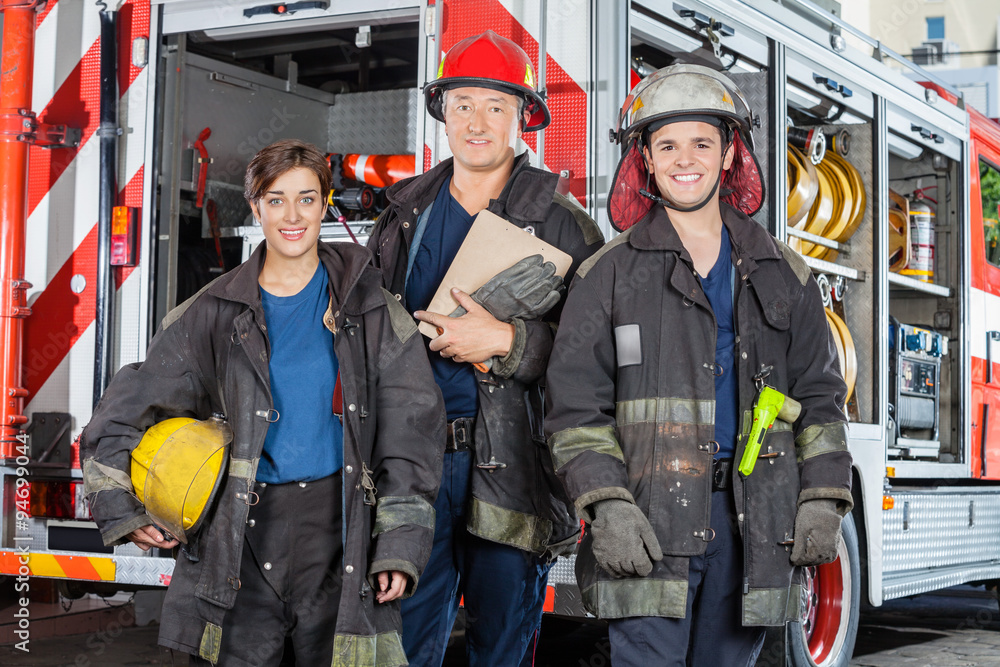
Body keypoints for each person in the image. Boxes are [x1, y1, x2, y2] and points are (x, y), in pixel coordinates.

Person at [80, 139, 445, 666]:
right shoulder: (212, 313)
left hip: (340, 536)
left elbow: (412, 434)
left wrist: (398, 544)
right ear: (255, 208)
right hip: (239, 540)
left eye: (306, 199)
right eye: (276, 200)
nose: (292, 216)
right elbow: (121, 413)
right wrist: (121, 509)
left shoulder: (373, 311)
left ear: (325, 205)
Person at [544, 64, 854, 666]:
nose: (685, 160)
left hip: (753, 523)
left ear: (730, 153)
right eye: (667, 146)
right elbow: (575, 407)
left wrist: (824, 494)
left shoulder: (783, 273)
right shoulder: (607, 274)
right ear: (645, 159)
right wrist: (607, 502)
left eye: (702, 144)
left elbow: (821, 395)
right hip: (648, 520)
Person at [366, 30, 604, 667]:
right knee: (402, 649)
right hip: (414, 469)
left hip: (514, 470)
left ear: (522, 117)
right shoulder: (402, 217)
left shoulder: (566, 225)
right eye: (463, 104)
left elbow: (598, 360)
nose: (477, 122)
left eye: (495, 106)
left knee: (501, 651)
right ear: (441, 113)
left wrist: (507, 340)